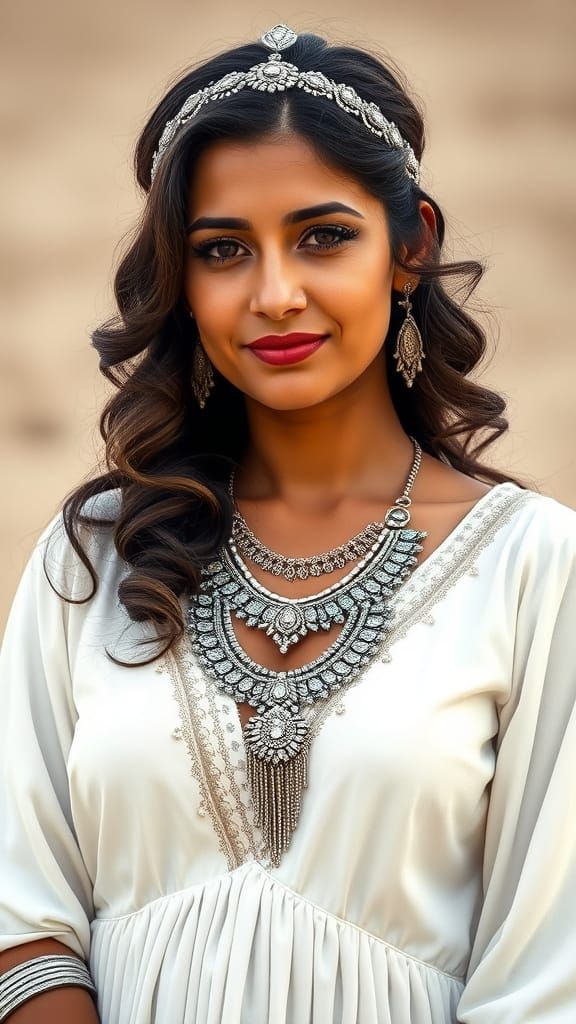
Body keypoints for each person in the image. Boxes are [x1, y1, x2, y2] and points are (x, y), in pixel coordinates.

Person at [0, 22, 574, 1024]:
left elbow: (547, 976)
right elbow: (22, 917)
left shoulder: (536, 568)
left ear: (410, 247)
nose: (275, 295)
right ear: (182, 281)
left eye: (323, 236)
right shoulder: (94, 555)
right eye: (223, 250)